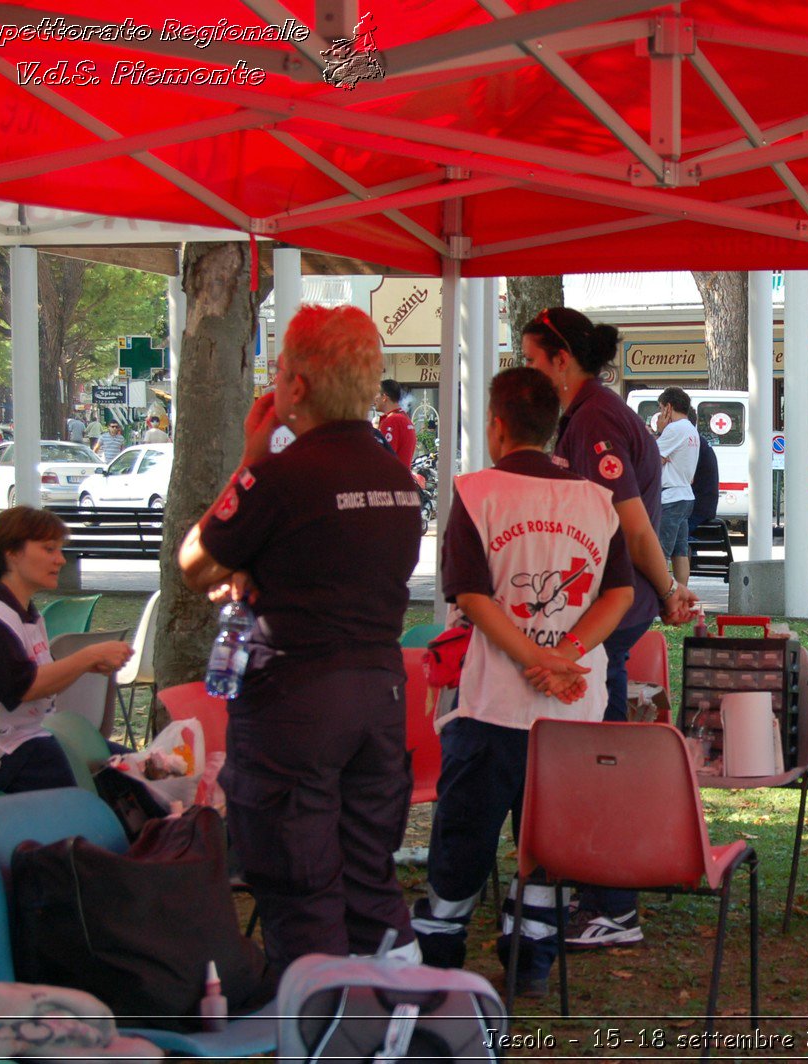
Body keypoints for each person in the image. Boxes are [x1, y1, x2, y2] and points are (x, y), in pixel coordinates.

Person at [177, 304, 424, 972]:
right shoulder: (400, 483)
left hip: (294, 702)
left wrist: (250, 460)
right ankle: (403, 1020)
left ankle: (322, 1035)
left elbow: (195, 562)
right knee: (370, 877)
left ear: (295, 385)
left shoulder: (280, 478)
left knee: (300, 885)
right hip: (379, 694)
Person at [410, 367, 634, 998]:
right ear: (556, 429)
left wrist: (534, 658)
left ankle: (440, 951)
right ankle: (531, 957)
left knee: (464, 834)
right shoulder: (595, 498)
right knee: (550, 837)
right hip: (574, 706)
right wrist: (564, 653)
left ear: (496, 425)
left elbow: (473, 599)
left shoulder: (475, 493)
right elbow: (618, 591)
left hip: (492, 705)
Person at [520, 306, 696, 950]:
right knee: (594, 755)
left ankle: (611, 905)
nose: (528, 374)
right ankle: (587, 888)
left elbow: (632, 525)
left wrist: (672, 590)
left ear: (561, 360)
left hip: (609, 615)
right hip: (606, 612)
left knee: (596, 761)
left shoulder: (593, 419)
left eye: (533, 361)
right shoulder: (592, 415)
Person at [0, 507, 133, 793]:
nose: (60, 559)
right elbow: (25, 687)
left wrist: (87, 665)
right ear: (12, 553)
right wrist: (87, 656)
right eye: (49, 549)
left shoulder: (25, 612)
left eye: (60, 549)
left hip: (32, 738)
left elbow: (41, 680)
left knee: (137, 769)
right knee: (110, 783)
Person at [654, 387, 700, 591]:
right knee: (680, 552)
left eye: (660, 408)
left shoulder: (674, 429)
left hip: (669, 498)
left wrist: (659, 432)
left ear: (668, 408)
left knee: (659, 552)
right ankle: (681, 597)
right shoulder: (691, 429)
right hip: (685, 495)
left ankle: (662, 600)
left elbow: (652, 460)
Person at [375, 379, 416, 468]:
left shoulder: (392, 420)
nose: (375, 398)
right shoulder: (404, 418)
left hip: (392, 479)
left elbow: (384, 458)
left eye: (377, 393)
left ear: (384, 397)